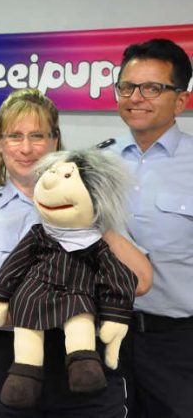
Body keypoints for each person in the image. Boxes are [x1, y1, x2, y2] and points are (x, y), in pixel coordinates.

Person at [0, 88, 152, 417]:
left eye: (37, 135)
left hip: (82, 365)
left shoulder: (95, 212)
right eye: (15, 136)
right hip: (3, 368)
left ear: (55, 141)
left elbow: (139, 281)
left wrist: (93, 215)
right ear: (0, 144)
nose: (26, 148)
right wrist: (57, 309)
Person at [108, 38, 193, 417]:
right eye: (127, 87)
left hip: (177, 344)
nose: (135, 97)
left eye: (152, 88)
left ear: (181, 100)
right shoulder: (97, 161)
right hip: (106, 336)